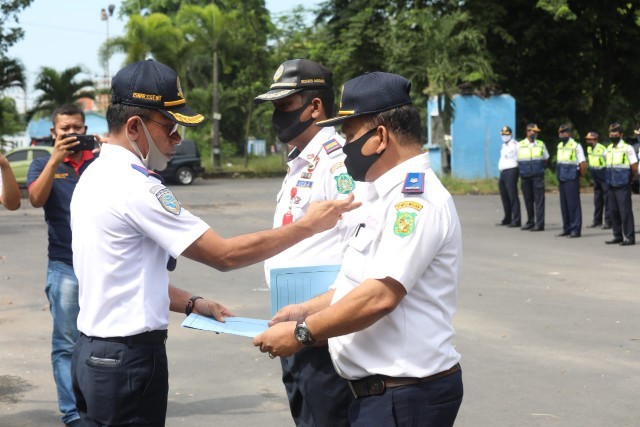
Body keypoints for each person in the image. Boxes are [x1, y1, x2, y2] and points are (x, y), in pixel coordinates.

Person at [69, 59, 359, 427]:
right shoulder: (134, 186)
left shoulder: (94, 175)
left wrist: (192, 302)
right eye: (171, 128)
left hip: (92, 355)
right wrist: (308, 226)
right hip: (126, 361)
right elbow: (224, 255)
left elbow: (124, 276)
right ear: (134, 127)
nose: (177, 139)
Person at [254, 71, 463, 426]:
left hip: (404, 395)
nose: (344, 145)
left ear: (380, 137)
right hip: (379, 393)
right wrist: (304, 310)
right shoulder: (383, 195)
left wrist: (302, 333)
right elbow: (354, 286)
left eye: (350, 136)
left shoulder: (415, 201)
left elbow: (379, 296)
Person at [254, 59, 358, 426]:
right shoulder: (301, 160)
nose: (278, 116)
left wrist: (317, 315)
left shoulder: (338, 162)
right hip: (293, 326)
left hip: (319, 331)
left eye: (284, 106)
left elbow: (358, 249)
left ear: (315, 106)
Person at [26, 104, 100, 427]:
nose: (71, 134)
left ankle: (98, 405)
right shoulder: (43, 164)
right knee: (66, 343)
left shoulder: (101, 164)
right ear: (53, 133)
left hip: (102, 267)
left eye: (77, 128)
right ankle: (72, 413)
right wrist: (55, 160)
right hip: (64, 266)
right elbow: (35, 199)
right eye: (65, 129)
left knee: (103, 338)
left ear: (85, 130)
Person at [604, 123, 637, 245]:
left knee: (625, 211)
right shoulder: (608, 149)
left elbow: (634, 167)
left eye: (616, 132)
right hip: (611, 184)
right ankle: (617, 235)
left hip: (623, 184)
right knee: (613, 211)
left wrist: (630, 178)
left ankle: (629, 237)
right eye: (611, 132)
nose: (613, 134)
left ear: (621, 134)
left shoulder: (627, 148)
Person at [555, 124, 586, 238]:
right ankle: (566, 228)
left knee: (573, 205)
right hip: (562, 178)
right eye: (560, 132)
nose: (562, 134)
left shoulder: (576, 146)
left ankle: (575, 229)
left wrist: (580, 177)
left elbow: (582, 163)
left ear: (569, 133)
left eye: (564, 132)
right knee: (564, 205)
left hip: (572, 178)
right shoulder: (559, 146)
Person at [517, 123, 549, 231]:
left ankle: (539, 224)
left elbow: (545, 159)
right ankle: (530, 222)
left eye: (536, 132)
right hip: (525, 176)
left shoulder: (541, 144)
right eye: (533, 131)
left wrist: (538, 169)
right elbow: (516, 160)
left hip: (537, 176)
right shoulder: (520, 145)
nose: (535, 133)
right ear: (527, 132)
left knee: (539, 201)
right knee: (528, 200)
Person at [585, 131, 611, 229]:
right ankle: (597, 220)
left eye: (589, 139)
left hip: (603, 174)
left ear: (595, 139)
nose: (587, 141)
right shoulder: (589, 149)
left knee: (607, 199)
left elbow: (608, 161)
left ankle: (608, 221)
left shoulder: (602, 149)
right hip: (595, 175)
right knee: (597, 199)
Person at [496, 125, 520, 227]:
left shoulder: (515, 145)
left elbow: (519, 158)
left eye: (506, 134)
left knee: (512, 196)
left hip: (512, 171)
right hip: (503, 172)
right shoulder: (503, 146)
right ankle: (507, 217)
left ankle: (516, 219)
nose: (504, 136)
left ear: (511, 134)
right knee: (504, 196)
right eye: (503, 134)